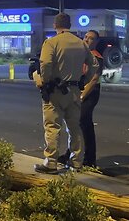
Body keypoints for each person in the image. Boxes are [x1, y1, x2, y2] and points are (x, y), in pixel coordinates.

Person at [33, 13, 98, 174]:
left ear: (55, 25)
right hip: (75, 91)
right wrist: (84, 80)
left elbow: (46, 63)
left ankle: (51, 162)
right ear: (69, 25)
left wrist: (45, 80)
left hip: (55, 91)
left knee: (52, 126)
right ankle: (76, 162)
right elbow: (94, 65)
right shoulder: (80, 43)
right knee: (74, 127)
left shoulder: (51, 42)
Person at [57, 30, 104, 168]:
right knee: (75, 123)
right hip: (79, 90)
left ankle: (89, 159)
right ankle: (72, 154)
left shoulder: (97, 57)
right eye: (86, 37)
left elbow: (94, 79)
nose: (87, 40)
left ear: (96, 42)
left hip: (90, 92)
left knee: (83, 123)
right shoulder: (81, 55)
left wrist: (83, 96)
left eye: (91, 39)